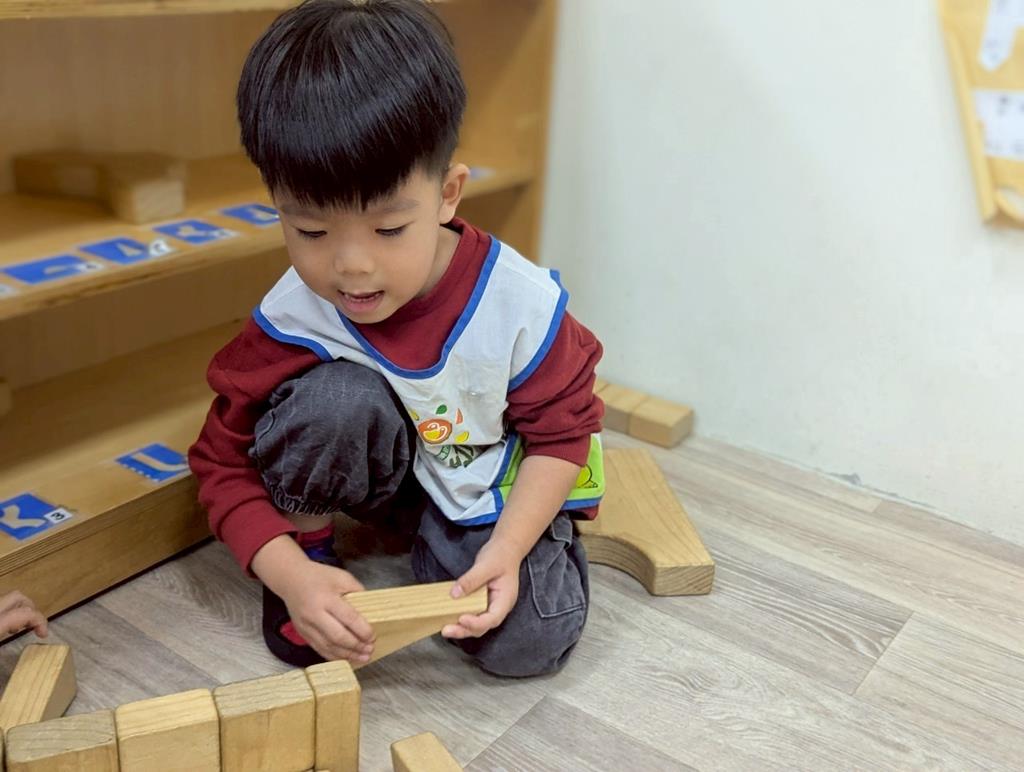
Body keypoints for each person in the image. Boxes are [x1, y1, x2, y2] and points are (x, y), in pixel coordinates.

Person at [188, 0, 604, 678]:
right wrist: (291, 573)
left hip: (480, 479)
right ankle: (318, 546)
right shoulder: (292, 314)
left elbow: (562, 437)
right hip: (384, 474)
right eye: (311, 231)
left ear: (448, 193)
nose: (352, 267)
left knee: (528, 641)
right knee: (334, 401)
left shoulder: (518, 305)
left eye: (388, 230)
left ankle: (483, 545)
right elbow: (220, 461)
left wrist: (507, 550)